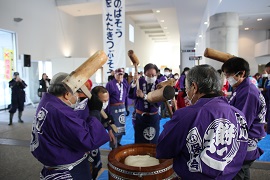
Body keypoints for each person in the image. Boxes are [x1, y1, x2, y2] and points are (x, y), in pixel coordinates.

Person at [156, 64, 248, 179]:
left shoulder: (187, 115)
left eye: (187, 88)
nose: (187, 92)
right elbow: (242, 151)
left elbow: (163, 150)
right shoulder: (239, 115)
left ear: (194, 87)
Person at [30, 72, 109, 180]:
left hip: (52, 162)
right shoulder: (60, 113)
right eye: (76, 93)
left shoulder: (47, 102)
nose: (77, 96)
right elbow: (89, 140)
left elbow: (71, 122)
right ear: (67, 94)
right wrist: (95, 113)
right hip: (68, 169)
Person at [221, 57, 266, 180]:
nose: (227, 78)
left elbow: (242, 122)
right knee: (242, 173)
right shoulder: (241, 89)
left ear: (241, 73)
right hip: (243, 140)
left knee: (238, 173)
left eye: (228, 74)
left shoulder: (248, 92)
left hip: (245, 141)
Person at [128, 63, 162, 144]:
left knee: (153, 140)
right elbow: (131, 95)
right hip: (140, 117)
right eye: (148, 75)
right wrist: (134, 82)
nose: (151, 77)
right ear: (144, 74)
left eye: (153, 75)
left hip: (154, 117)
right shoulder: (139, 82)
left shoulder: (160, 84)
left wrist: (144, 96)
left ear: (157, 74)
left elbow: (158, 101)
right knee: (140, 141)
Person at [106, 68, 129, 149]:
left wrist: (127, 108)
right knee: (113, 128)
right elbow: (107, 99)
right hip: (113, 108)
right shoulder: (110, 84)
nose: (120, 76)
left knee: (121, 128)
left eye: (121, 74)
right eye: (118, 74)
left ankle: (118, 143)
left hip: (122, 108)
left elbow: (126, 97)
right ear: (114, 74)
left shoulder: (124, 84)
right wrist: (107, 111)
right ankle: (113, 146)